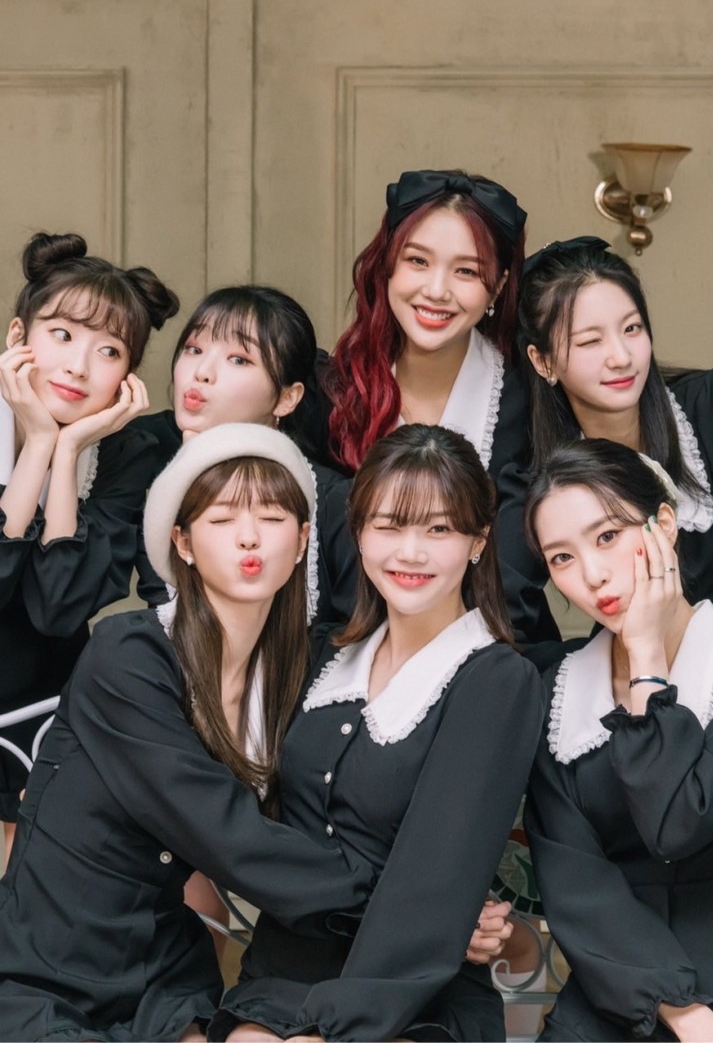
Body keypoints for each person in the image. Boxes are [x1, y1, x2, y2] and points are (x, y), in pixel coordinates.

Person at [0, 424, 374, 1042]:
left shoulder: (300, 674)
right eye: (222, 519)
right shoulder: (129, 655)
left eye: (273, 518)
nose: (250, 537)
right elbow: (223, 829)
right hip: (48, 972)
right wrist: (388, 904)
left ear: (304, 540)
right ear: (184, 543)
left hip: (163, 976)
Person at [210, 423, 544, 1043]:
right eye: (389, 525)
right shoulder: (321, 657)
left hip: (413, 993)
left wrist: (329, 1030)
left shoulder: (496, 680)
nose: (410, 553)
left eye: (439, 529)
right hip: (281, 975)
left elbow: (437, 879)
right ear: (359, 532)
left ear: (477, 541)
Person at [524, 439, 713, 1042]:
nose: (592, 575)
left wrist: (647, 664)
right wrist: (682, 1013)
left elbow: (678, 824)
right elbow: (574, 881)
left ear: (665, 524)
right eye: (562, 558)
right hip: (619, 992)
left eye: (607, 536)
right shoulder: (558, 692)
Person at [319, 168, 560, 644]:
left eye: (466, 271)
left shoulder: (531, 401)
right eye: (418, 261)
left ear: (498, 287)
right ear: (386, 266)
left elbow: (517, 575)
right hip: (353, 652)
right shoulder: (331, 392)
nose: (436, 290)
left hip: (501, 652)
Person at [0, 230, 178, 843]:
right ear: (18, 338)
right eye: (62, 335)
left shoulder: (127, 455)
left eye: (109, 351)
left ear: (127, 377)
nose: (79, 365)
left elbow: (58, 607)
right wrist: (36, 447)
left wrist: (66, 447)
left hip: (51, 714)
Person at [133, 285, 356, 625]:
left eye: (238, 359)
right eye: (194, 349)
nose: (202, 371)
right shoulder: (147, 462)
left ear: (286, 398)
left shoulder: (332, 501)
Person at [518, 236, 713, 609]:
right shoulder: (541, 478)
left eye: (631, 329)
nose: (621, 357)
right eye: (590, 341)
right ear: (542, 361)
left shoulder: (711, 407)